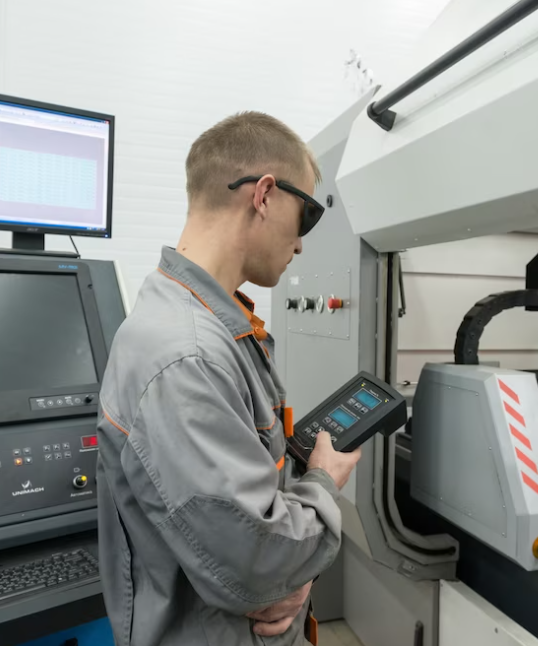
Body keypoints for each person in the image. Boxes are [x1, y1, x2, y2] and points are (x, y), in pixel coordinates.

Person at [96, 111, 362, 646]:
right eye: (306, 215)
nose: (303, 243)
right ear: (264, 195)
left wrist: (286, 581)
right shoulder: (187, 355)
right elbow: (254, 564)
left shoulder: (203, 321)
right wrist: (324, 482)